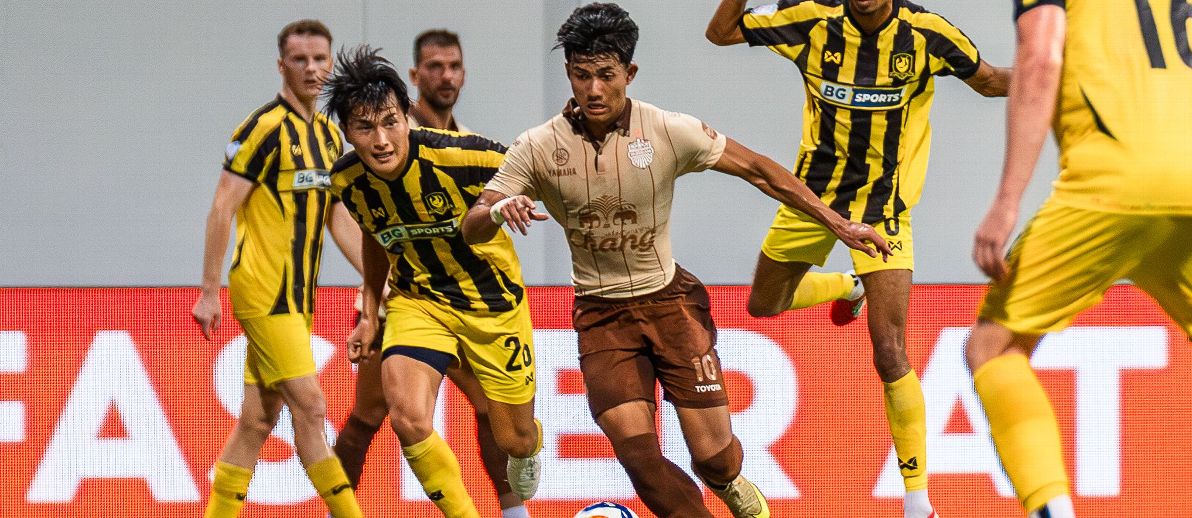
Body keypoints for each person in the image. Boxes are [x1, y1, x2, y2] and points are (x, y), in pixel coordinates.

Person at [462, 4, 889, 517]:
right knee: (639, 459)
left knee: (716, 460)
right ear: (569, 73)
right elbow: (472, 223)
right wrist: (497, 211)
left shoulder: (666, 130)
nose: (593, 89)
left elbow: (758, 170)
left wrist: (838, 223)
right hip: (601, 316)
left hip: (671, 305)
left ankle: (728, 480)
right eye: (581, 75)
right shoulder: (536, 147)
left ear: (629, 73)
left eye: (606, 75)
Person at [966, 1, 1192, 517]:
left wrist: (1007, 201)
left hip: (1107, 189)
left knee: (994, 348)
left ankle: (1051, 507)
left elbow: (1041, 58)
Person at [706, 2, 1010, 515]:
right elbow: (722, 32)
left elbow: (991, 80)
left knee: (890, 350)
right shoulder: (810, 19)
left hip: (883, 211)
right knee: (764, 305)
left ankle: (918, 502)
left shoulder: (926, 34)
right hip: (811, 202)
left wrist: (1068, 74)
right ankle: (848, 284)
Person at [324, 45, 544, 518]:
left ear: (406, 115)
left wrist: (515, 199)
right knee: (406, 416)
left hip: (491, 305)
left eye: (390, 122)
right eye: (364, 128)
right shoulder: (347, 181)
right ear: (346, 131)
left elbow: (531, 169)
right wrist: (369, 314)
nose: (381, 140)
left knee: (515, 438)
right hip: (418, 300)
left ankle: (527, 448)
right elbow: (376, 237)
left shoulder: (464, 155)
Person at [191, 19, 365, 518]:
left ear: (330, 62)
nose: (312, 69)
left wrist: (379, 277)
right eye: (300, 60)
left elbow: (337, 216)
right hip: (264, 292)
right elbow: (222, 207)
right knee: (312, 408)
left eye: (320, 59)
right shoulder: (262, 128)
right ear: (281, 66)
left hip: (298, 298)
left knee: (255, 422)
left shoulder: (329, 136)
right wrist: (209, 290)